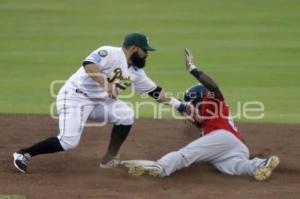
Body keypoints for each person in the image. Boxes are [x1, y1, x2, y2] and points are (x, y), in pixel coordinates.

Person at [13, 33, 183, 173]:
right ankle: (24, 154)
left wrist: (180, 105)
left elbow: (155, 92)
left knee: (126, 115)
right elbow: (89, 64)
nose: (147, 54)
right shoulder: (109, 52)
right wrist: (105, 83)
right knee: (68, 142)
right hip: (75, 97)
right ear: (133, 48)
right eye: (145, 50)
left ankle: (109, 159)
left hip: (99, 103)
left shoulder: (136, 72)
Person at [128, 48, 280, 181]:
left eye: (191, 102)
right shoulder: (207, 114)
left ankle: (160, 167)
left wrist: (193, 69)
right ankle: (259, 165)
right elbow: (190, 112)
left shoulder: (210, 102)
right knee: (236, 167)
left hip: (222, 138)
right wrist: (184, 109)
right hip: (237, 147)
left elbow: (214, 87)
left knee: (186, 154)